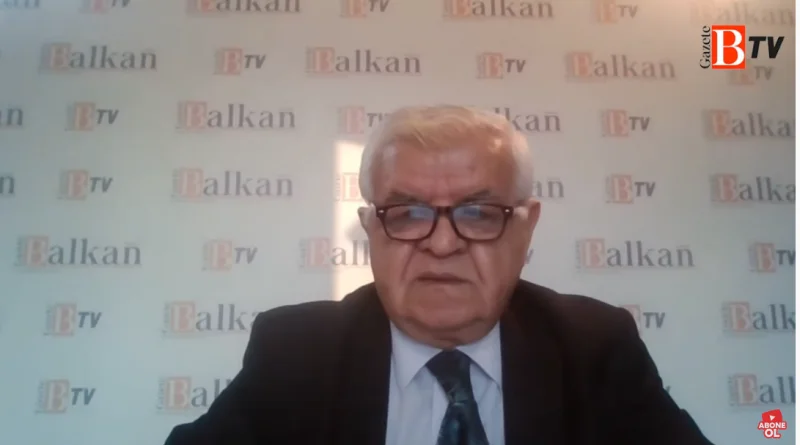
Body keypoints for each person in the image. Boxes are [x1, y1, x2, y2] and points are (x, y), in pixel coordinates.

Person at [164, 105, 715, 445]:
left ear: (526, 228)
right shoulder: (296, 352)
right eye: (407, 213)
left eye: (478, 213)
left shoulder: (594, 347)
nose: (443, 244)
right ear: (371, 229)